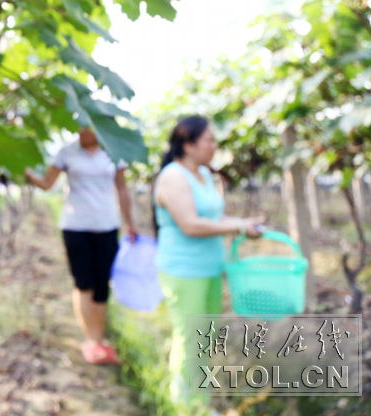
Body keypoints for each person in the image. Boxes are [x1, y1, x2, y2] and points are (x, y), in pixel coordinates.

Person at [153, 116, 264, 404]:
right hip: (184, 270)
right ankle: (183, 405)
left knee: (205, 337)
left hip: (210, 268)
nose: (215, 146)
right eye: (209, 140)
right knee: (190, 337)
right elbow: (190, 224)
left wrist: (243, 222)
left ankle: (198, 401)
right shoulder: (173, 176)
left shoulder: (204, 175)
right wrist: (237, 227)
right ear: (188, 145)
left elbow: (213, 218)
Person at [25, 127, 135, 365]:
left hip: (107, 224)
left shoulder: (113, 152)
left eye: (87, 127)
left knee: (102, 285)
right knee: (83, 283)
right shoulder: (67, 152)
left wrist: (130, 223)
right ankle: (92, 341)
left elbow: (122, 188)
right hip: (75, 225)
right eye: (79, 127)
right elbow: (47, 183)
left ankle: (99, 338)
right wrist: (26, 172)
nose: (81, 132)